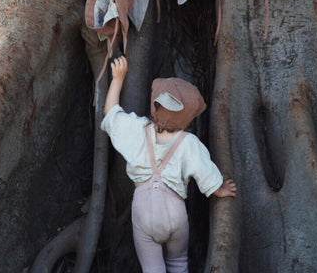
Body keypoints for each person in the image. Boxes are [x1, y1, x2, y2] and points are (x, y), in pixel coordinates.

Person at [100, 56, 237, 273]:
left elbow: (111, 114)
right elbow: (205, 171)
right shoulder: (189, 142)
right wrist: (219, 189)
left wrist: (118, 78)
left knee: (152, 269)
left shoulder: (136, 130)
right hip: (176, 215)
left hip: (143, 214)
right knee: (178, 263)